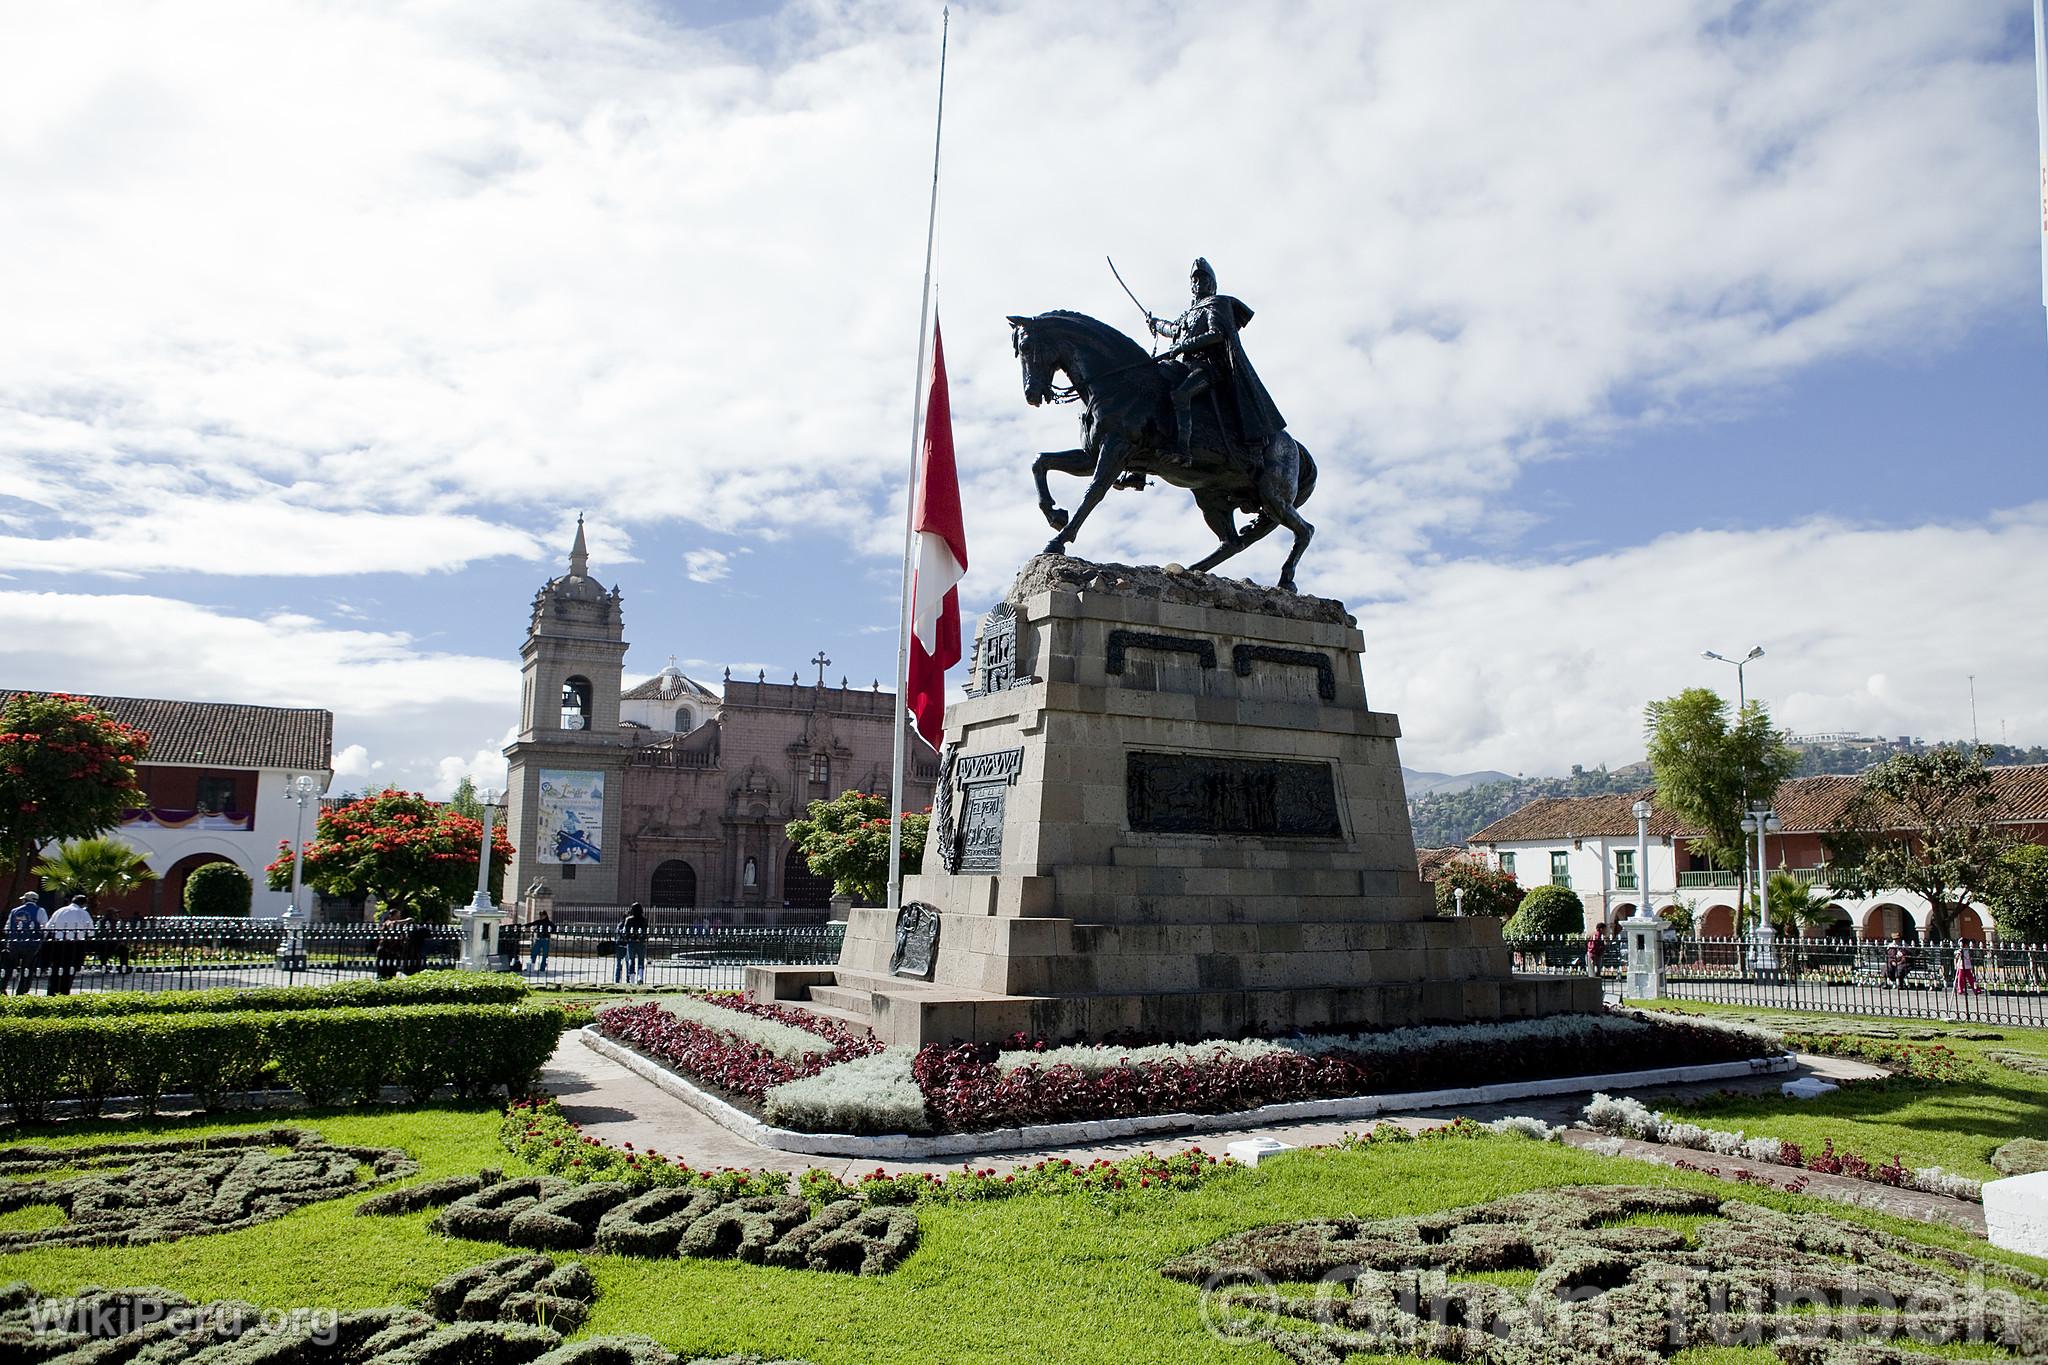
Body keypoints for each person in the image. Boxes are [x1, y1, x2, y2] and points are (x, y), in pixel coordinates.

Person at [1148, 257, 1287, 466]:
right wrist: (1155, 323)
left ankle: (1183, 450)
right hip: (1185, 367)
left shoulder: (1217, 304)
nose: (1197, 283)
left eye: (1202, 279)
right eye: (1194, 280)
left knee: (1181, 394)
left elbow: (1217, 333)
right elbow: (1173, 329)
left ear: (1211, 284)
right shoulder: (1189, 314)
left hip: (1208, 368)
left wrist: (1183, 347)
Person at [43, 894, 95, 995]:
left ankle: (52, 991)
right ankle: (64, 991)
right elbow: (91, 931)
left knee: (55, 968)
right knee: (70, 969)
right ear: (83, 904)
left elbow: (48, 927)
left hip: (58, 942)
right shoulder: (83, 913)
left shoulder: (59, 911)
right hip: (75, 944)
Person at [2, 891, 46, 995]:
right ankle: (22, 991)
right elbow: (44, 927)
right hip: (31, 944)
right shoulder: (40, 910)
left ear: (25, 900)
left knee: (9, 967)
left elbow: (7, 927)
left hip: (14, 943)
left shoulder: (14, 911)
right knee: (27, 968)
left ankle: (2, 987)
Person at [615, 902, 648, 984]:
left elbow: (625, 932)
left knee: (631, 960)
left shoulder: (629, 919)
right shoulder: (644, 920)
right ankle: (640, 977)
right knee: (641, 961)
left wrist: (629, 938)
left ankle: (632, 979)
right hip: (641, 943)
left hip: (631, 943)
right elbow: (645, 932)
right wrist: (641, 938)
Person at [528, 907, 553, 974]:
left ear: (545, 915)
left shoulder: (549, 923)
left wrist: (549, 932)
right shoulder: (539, 922)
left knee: (545, 955)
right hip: (539, 939)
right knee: (534, 953)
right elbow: (532, 924)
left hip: (545, 940)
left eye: (542, 915)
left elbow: (554, 928)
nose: (541, 916)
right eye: (540, 915)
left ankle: (542, 968)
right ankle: (531, 967)